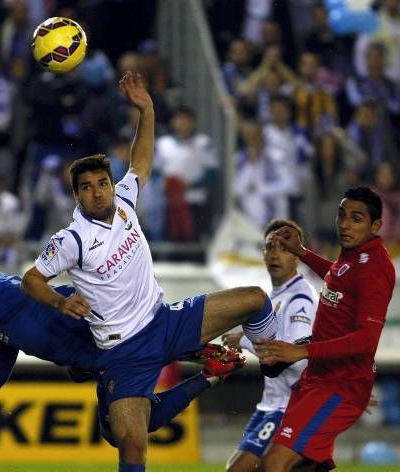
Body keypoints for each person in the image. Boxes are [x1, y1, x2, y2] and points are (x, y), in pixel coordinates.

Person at [20, 72, 278, 472]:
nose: (98, 191)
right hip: (124, 352)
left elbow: (141, 161)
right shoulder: (71, 239)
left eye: (102, 182)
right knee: (133, 447)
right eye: (87, 187)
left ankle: (273, 363)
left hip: (164, 321)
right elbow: (30, 279)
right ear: (76, 195)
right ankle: (206, 364)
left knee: (256, 300)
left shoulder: (124, 200)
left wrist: (148, 109)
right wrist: (59, 301)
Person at [0, 251, 245, 456]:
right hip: (99, 356)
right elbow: (2, 359)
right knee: (122, 432)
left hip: (110, 342)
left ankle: (201, 350)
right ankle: (211, 369)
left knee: (128, 431)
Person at [256, 186, 396, 471]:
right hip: (318, 379)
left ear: (376, 225)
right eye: (342, 215)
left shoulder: (375, 269)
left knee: (273, 465)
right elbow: (339, 278)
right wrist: (302, 253)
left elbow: (367, 340)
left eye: (356, 219)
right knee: (304, 467)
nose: (345, 224)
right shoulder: (354, 258)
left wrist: (301, 351)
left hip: (339, 386)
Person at [224, 219, 318, 472]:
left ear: (298, 255)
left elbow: (295, 355)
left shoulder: (300, 299)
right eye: (270, 247)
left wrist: (242, 340)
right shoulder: (273, 297)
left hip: (289, 407)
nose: (276, 254)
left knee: (240, 469)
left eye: (285, 248)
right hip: (270, 404)